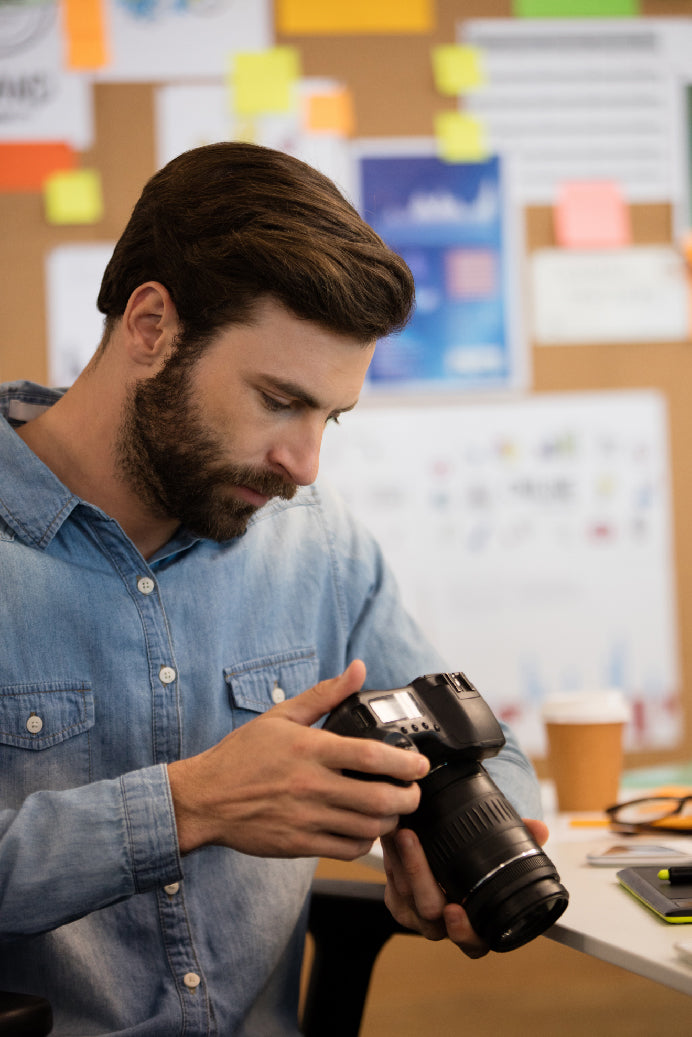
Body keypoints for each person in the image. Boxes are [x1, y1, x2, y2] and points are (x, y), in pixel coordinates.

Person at [0, 142, 546, 1036]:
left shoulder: (315, 546)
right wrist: (191, 803)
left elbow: (497, 763)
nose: (305, 463)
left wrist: (439, 847)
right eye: (278, 400)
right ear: (150, 326)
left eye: (329, 417)